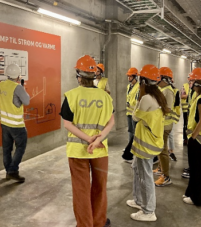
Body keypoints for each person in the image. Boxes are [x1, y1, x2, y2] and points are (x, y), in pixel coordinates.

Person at [60, 55, 114, 227]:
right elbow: (111, 122)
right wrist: (98, 140)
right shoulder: (105, 97)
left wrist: (87, 138)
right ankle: (99, 222)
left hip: (78, 152)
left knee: (81, 190)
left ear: (79, 76)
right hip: (100, 150)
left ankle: (85, 225)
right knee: (100, 187)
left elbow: (67, 124)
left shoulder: (71, 96)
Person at [126, 64, 168, 222]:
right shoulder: (158, 96)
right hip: (148, 141)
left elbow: (135, 117)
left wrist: (139, 96)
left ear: (143, 81)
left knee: (145, 176)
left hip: (146, 144)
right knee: (136, 168)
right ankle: (138, 201)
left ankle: (149, 211)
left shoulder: (146, 98)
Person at [0, 63, 30, 182]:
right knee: (21, 146)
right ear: (17, 75)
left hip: (4, 122)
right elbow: (26, 101)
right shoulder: (17, 87)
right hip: (16, 124)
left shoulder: (2, 84)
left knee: (7, 148)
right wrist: (22, 87)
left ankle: (8, 171)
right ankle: (13, 170)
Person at [183, 68, 201, 206]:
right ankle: (191, 192)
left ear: (198, 83)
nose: (190, 83)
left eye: (192, 81)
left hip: (198, 140)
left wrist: (192, 137)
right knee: (197, 169)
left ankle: (198, 198)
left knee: (197, 170)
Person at [153, 67, 175, 187]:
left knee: (163, 150)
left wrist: (155, 110)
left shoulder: (168, 91)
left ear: (164, 79)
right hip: (161, 124)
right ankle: (160, 168)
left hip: (165, 125)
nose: (156, 80)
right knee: (160, 149)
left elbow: (168, 109)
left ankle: (166, 177)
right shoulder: (163, 89)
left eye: (158, 78)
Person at [181, 72, 198, 179]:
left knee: (196, 149)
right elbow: (182, 95)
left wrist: (194, 134)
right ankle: (191, 167)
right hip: (188, 113)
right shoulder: (187, 87)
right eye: (189, 79)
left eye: (192, 80)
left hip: (195, 124)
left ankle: (194, 170)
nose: (190, 81)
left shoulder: (199, 94)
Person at [122, 67, 140, 163]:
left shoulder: (138, 87)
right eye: (128, 76)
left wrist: (131, 104)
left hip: (134, 113)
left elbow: (137, 100)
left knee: (135, 132)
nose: (128, 78)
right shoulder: (129, 86)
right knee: (130, 131)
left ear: (135, 77)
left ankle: (133, 150)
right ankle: (129, 147)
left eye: (130, 76)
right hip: (129, 112)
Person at [168, 78, 180, 161]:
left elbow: (176, 103)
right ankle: (171, 151)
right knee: (170, 135)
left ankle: (170, 151)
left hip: (168, 115)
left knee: (168, 135)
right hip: (170, 115)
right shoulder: (175, 90)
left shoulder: (171, 91)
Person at [181, 79, 190, 146]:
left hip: (192, 109)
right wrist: (191, 95)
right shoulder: (184, 86)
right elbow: (182, 96)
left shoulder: (194, 86)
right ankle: (185, 139)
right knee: (186, 124)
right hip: (185, 109)